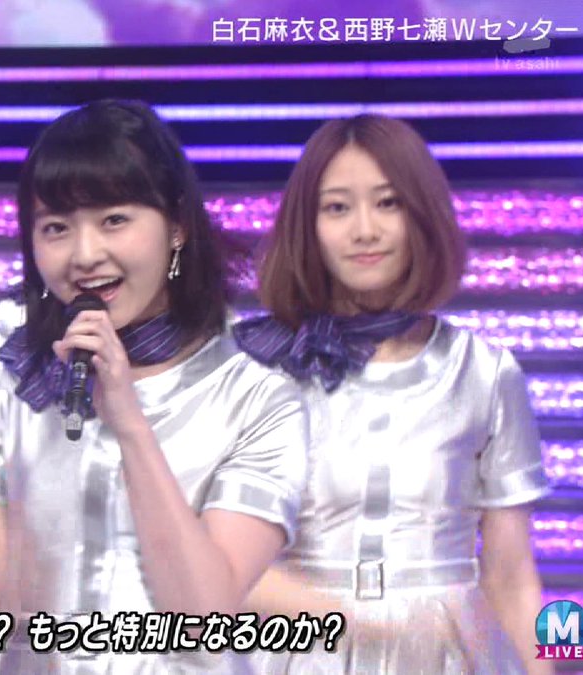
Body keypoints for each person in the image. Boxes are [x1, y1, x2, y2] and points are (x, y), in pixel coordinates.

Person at [0, 99, 308, 673]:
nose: (85, 255)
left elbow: (206, 617)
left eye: (114, 220)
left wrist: (129, 422)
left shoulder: (259, 398)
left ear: (177, 226)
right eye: (56, 228)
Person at [235, 114, 551, 674]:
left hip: (449, 652)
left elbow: (513, 577)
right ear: (307, 226)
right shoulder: (259, 366)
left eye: (388, 203)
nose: (365, 230)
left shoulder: (485, 373)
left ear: (422, 214)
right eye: (337, 208)